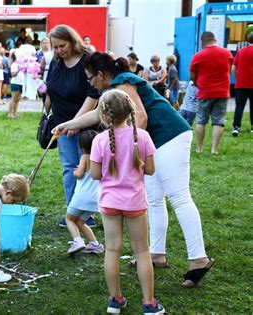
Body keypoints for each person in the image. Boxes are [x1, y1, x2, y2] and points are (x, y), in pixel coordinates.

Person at [53, 52, 215, 288]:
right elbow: (98, 114)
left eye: (90, 79)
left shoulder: (122, 83)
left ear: (100, 75)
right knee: (154, 200)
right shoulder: (112, 91)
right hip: (158, 140)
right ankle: (156, 254)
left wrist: (125, 152)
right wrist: (67, 125)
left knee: (179, 197)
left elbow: (140, 117)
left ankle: (199, 258)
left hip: (170, 136)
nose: (90, 84)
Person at [90, 89, 164, 314]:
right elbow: (150, 170)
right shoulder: (142, 136)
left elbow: (95, 175)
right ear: (130, 111)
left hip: (110, 203)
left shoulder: (99, 140)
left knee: (112, 250)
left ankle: (115, 300)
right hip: (135, 202)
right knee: (142, 251)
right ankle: (149, 304)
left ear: (104, 115)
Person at [45, 25, 100, 228]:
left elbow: (93, 94)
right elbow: (50, 88)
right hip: (62, 124)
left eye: (62, 46)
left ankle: (87, 214)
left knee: (86, 168)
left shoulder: (87, 60)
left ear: (72, 40)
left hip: (87, 124)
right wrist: (48, 114)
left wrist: (77, 122)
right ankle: (72, 210)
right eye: (55, 47)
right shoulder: (56, 62)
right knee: (69, 168)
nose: (59, 50)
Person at [190, 31, 233, 155]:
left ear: (202, 42)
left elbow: (192, 75)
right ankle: (214, 149)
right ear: (215, 39)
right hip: (222, 91)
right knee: (219, 120)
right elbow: (228, 70)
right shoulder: (227, 53)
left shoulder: (198, 56)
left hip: (205, 91)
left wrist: (198, 82)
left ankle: (199, 148)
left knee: (201, 120)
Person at [65, 130, 104, 255]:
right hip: (95, 198)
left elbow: (79, 174)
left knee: (69, 219)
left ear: (81, 147)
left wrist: (75, 172)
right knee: (80, 222)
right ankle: (95, 244)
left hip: (82, 197)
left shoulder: (85, 157)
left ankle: (78, 241)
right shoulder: (101, 158)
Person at [231, 32, 253, 137]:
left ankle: (236, 127)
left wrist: (237, 79)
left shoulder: (240, 52)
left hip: (241, 84)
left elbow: (233, 68)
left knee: (239, 106)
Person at [8, 52, 24, 119]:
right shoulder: (14, 64)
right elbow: (12, 74)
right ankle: (10, 113)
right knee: (13, 98)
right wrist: (18, 70)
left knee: (18, 99)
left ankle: (15, 112)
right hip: (15, 83)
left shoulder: (22, 64)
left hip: (21, 83)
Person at [38, 37, 54, 105]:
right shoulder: (38, 53)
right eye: (43, 43)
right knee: (44, 92)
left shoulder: (53, 52)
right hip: (41, 74)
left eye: (47, 42)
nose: (45, 44)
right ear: (41, 44)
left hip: (50, 74)